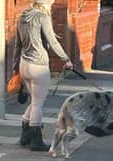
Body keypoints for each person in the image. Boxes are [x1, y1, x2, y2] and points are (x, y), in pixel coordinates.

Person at [12, 0, 73, 152]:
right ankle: (36, 141)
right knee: (38, 104)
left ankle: (25, 137)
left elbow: (17, 45)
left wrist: (15, 67)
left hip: (24, 64)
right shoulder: (42, 17)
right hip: (38, 66)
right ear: (45, 4)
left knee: (34, 102)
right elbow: (52, 41)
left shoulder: (22, 17)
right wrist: (66, 59)